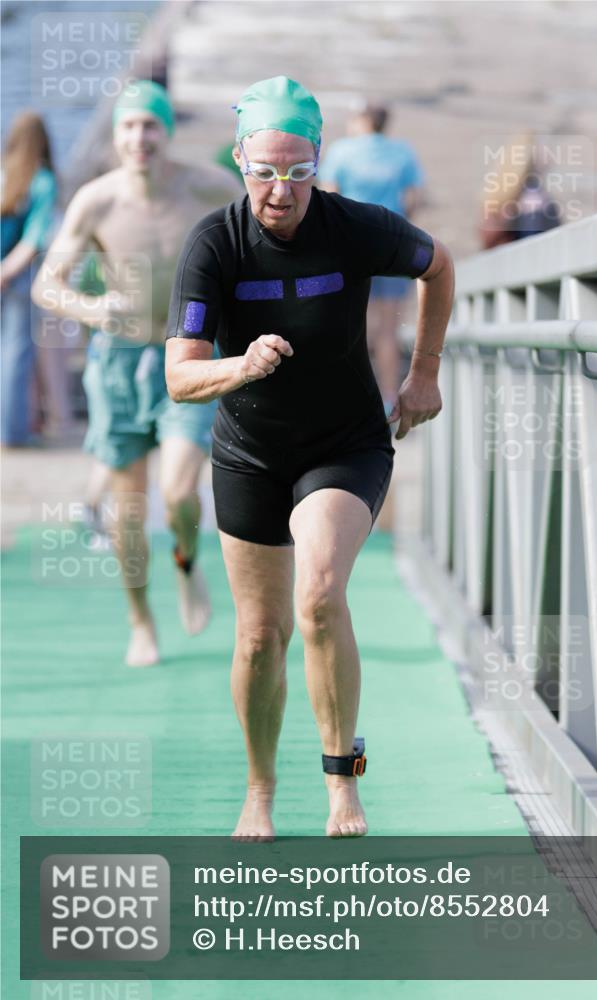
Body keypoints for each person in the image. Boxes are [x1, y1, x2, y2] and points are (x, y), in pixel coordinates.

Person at [165, 76, 454, 840]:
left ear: (318, 162)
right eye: (265, 171)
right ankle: (259, 789)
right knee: (260, 636)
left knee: (320, 592)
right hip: (250, 453)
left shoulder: (354, 226)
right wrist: (241, 366)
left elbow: (439, 265)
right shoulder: (213, 243)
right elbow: (179, 376)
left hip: (344, 445)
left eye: (297, 171)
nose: (280, 189)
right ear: (239, 161)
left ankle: (341, 779)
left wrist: (422, 370)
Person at [32, 80, 243, 667]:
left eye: (149, 125)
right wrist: (92, 307)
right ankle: (141, 622)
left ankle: (184, 557)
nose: (138, 137)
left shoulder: (208, 185)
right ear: (117, 135)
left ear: (166, 130)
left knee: (178, 492)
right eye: (127, 126)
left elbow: (254, 246)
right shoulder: (96, 200)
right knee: (128, 512)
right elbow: (49, 284)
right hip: (120, 363)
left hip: (187, 355)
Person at [319, 102, 425, 413]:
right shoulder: (403, 152)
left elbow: (329, 195)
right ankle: (389, 398)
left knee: (351, 324)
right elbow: (413, 197)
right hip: (391, 246)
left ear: (363, 120)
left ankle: (352, 399)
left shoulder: (341, 151)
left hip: (349, 248)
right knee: (388, 330)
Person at [1, 112, 58, 446]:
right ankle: (12, 433)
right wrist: (6, 272)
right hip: (18, 279)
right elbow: (33, 240)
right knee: (15, 355)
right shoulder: (42, 180)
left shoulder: (3, 173)